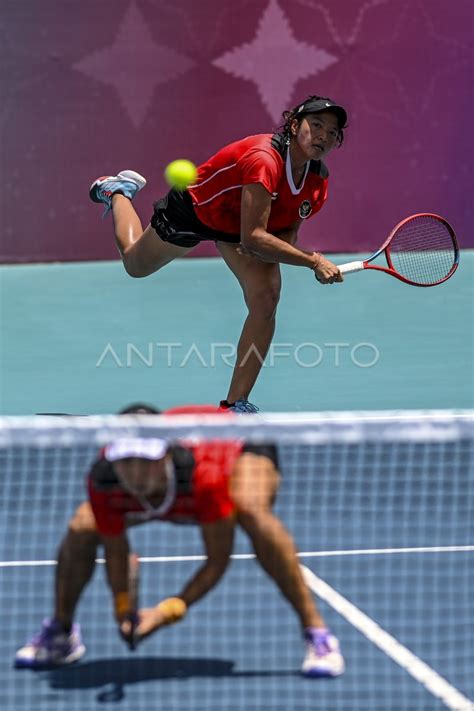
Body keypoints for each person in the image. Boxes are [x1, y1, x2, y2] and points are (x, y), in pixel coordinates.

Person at [15, 404, 344, 678]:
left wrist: (166, 612)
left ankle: (317, 634)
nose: (135, 474)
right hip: (183, 459)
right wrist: (123, 609)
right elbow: (117, 551)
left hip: (240, 439)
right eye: (126, 462)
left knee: (250, 508)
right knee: (82, 525)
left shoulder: (206, 478)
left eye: (146, 461)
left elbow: (217, 561)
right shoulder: (106, 481)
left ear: (166, 457)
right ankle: (61, 634)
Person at [89, 95, 347, 413]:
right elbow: (254, 238)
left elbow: (285, 230)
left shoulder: (317, 180)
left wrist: (268, 251)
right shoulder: (264, 159)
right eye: (316, 125)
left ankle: (235, 404)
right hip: (197, 210)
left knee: (267, 296)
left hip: (239, 227)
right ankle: (117, 192)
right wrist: (314, 261)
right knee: (134, 263)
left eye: (333, 132)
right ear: (294, 125)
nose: (323, 135)